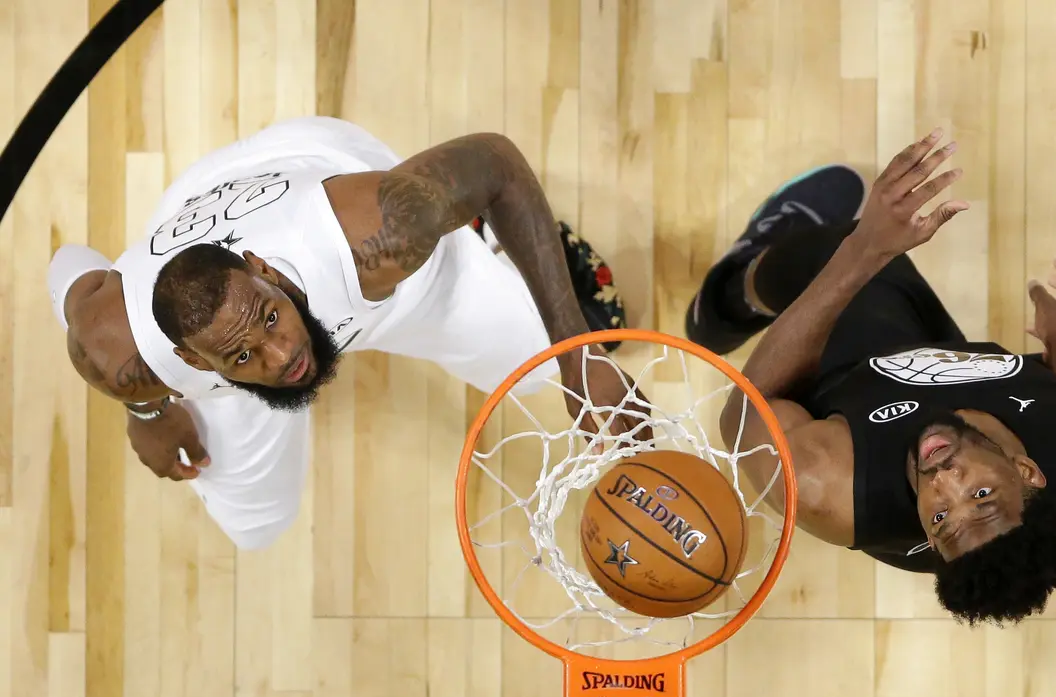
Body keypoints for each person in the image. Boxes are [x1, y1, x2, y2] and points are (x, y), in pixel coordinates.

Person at [685, 129, 1056, 697]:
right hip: (1000, 385)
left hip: (867, 379)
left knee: (820, 252)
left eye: (941, 517)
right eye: (982, 494)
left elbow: (746, 407)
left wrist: (866, 246)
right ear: (1029, 471)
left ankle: (721, 304)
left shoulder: (827, 482)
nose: (941, 478)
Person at [49, 116, 644, 551]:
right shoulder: (128, 358)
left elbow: (497, 162)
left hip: (325, 171)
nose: (284, 357)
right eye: (243, 355)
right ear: (193, 364)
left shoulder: (373, 239)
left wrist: (577, 352)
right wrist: (150, 412)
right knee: (255, 527)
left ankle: (475, 230)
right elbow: (68, 273)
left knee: (544, 366)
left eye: (271, 320)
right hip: (201, 211)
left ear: (265, 270)